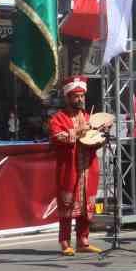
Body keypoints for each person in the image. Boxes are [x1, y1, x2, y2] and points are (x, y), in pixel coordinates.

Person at [47, 76, 104, 256]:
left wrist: (100, 135)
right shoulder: (58, 118)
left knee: (87, 204)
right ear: (68, 98)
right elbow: (58, 137)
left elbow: (94, 140)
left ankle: (83, 240)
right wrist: (79, 131)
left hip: (88, 168)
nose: (80, 100)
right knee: (67, 205)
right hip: (69, 169)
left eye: (82, 96)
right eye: (76, 96)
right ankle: (65, 242)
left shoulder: (89, 117)